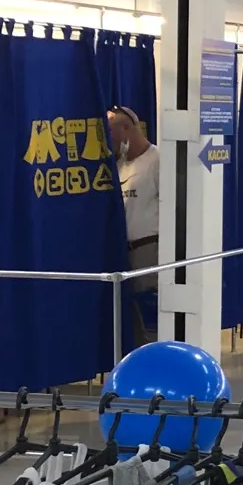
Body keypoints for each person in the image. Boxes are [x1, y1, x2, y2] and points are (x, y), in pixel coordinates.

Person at [108, 106, 160, 346]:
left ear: (126, 129)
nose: (111, 141)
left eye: (113, 133)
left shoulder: (157, 160)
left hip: (148, 249)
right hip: (124, 250)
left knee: (150, 313)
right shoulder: (120, 166)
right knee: (133, 319)